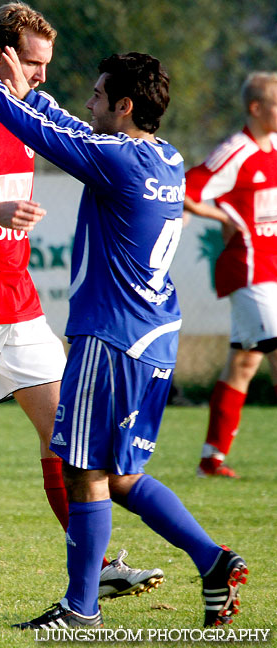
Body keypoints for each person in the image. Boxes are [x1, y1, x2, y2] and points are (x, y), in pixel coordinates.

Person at [0, 34, 248, 629]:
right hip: (152, 336)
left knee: (82, 470)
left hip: (112, 338)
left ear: (124, 106)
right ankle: (213, 560)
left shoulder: (115, 160)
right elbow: (71, 126)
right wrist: (27, 93)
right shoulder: (163, 157)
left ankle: (80, 608)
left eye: (99, 96)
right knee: (119, 473)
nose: (89, 103)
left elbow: (47, 136)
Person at [0, 1, 163, 603]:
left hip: (17, 302)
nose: (43, 74)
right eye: (34, 62)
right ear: (2, 52)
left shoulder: (23, 112)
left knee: (64, 435)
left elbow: (86, 136)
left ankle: (93, 570)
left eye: (47, 62)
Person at [184, 71, 277, 479]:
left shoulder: (274, 147)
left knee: (242, 363)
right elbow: (185, 189)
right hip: (251, 270)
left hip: (272, 269)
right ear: (256, 108)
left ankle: (211, 460)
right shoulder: (235, 151)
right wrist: (221, 214)